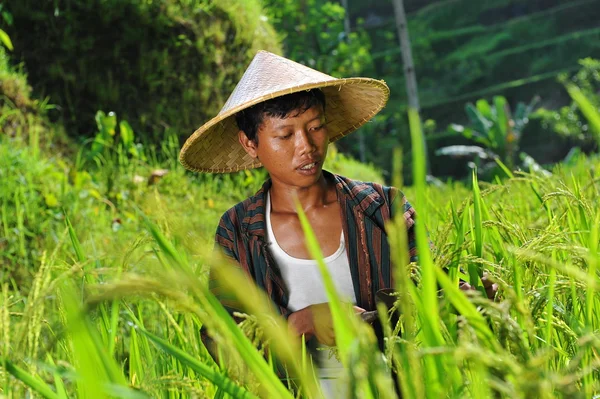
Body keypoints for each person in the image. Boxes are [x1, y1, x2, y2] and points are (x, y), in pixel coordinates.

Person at [180, 50, 433, 396]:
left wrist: (469, 297)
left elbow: (435, 287)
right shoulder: (239, 231)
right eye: (285, 136)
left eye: (315, 127)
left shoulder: (381, 207)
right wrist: (300, 324)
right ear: (250, 143)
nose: (307, 147)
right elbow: (221, 338)